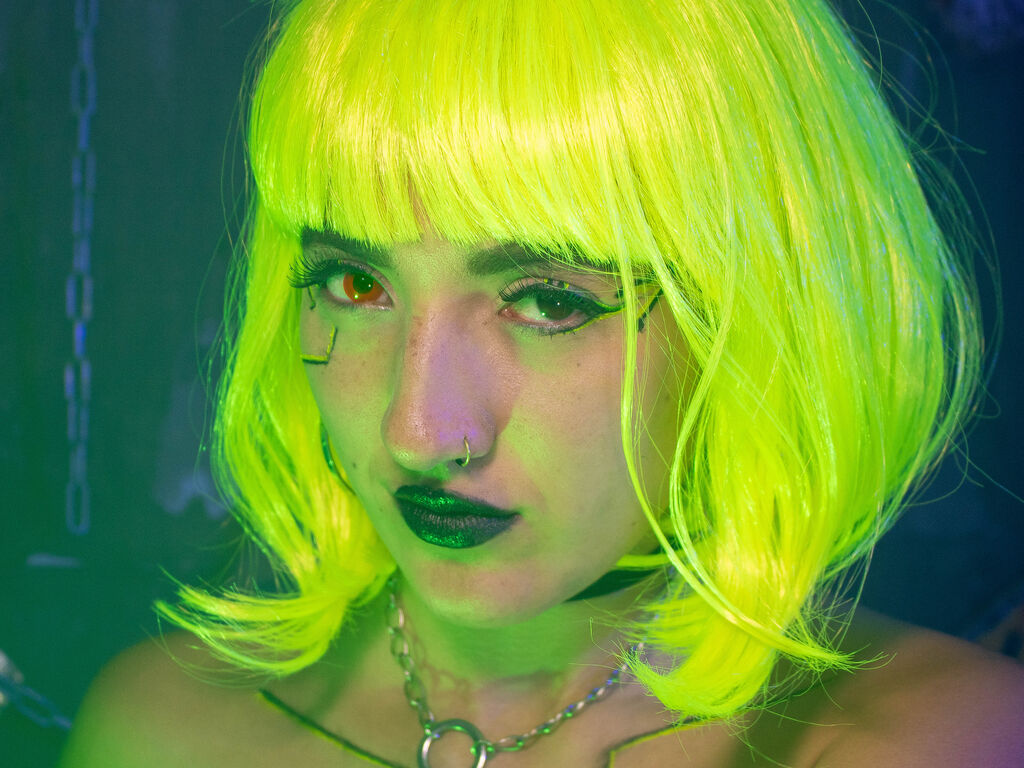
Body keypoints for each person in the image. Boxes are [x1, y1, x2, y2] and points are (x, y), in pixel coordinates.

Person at [59, 0, 1024, 765]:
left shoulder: (937, 741)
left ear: (761, 320)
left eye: (548, 301)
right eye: (355, 285)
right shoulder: (160, 731)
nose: (419, 430)